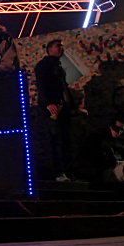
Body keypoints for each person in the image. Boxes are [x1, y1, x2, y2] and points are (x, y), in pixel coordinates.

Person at [34, 39, 73, 182]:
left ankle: (62, 171)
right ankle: (56, 172)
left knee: (62, 140)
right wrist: (48, 103)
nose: (61, 48)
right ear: (49, 48)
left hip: (61, 107)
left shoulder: (58, 66)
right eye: (58, 46)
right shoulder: (44, 66)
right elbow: (42, 86)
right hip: (51, 108)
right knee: (54, 139)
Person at [72, 117, 124, 186]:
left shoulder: (109, 137)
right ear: (111, 126)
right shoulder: (101, 136)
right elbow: (98, 155)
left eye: (121, 130)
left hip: (91, 167)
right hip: (87, 168)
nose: (119, 132)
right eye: (116, 128)